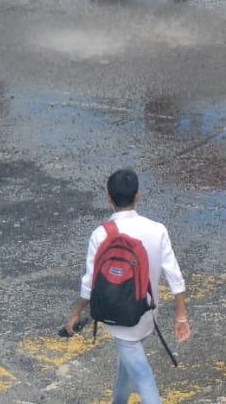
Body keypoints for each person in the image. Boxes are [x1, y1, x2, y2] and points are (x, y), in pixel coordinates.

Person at [66, 169, 191, 404]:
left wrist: (77, 312)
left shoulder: (100, 234)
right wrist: (181, 315)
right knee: (128, 364)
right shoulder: (157, 229)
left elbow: (89, 282)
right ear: (138, 196)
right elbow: (175, 275)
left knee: (142, 374)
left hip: (116, 317)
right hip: (145, 312)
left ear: (108, 198)